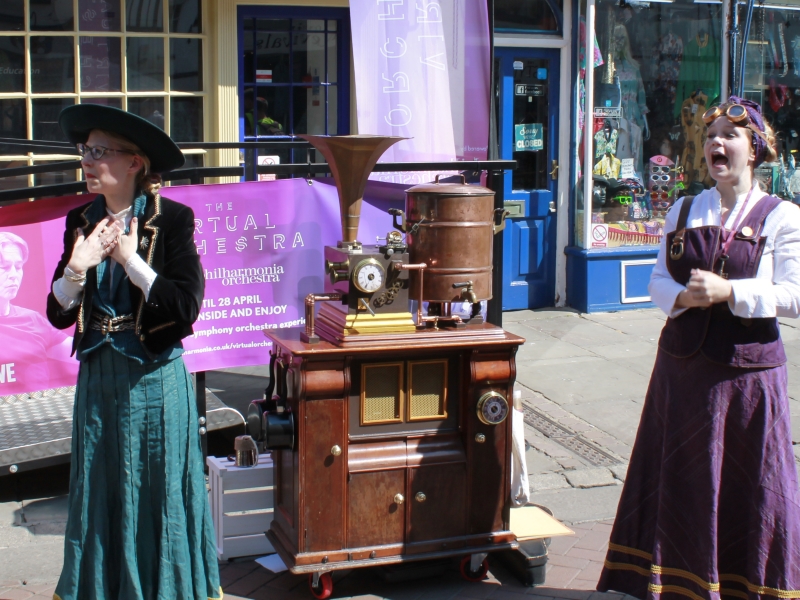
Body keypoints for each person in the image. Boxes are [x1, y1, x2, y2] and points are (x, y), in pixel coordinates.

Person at [597, 97, 800, 597]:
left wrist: (733, 293)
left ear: (754, 150)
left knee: (750, 488)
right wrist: (682, 297)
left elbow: (794, 296)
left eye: (729, 136)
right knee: (682, 481)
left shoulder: (782, 217)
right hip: (682, 375)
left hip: (745, 380)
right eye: (710, 136)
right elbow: (658, 280)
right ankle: (673, 583)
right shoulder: (685, 209)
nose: (716, 143)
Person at [46, 104, 221, 600]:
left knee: (158, 495)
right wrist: (76, 270)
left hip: (155, 383)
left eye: (100, 151)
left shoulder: (173, 221)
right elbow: (57, 313)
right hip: (99, 380)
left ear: (134, 163)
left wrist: (130, 260)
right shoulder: (79, 221)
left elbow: (186, 308)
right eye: (86, 150)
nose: (88, 159)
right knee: (101, 493)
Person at [0, 232, 72, 387]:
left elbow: (78, 354)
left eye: (18, 267)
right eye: (4, 267)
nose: (14, 275)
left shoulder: (33, 319)